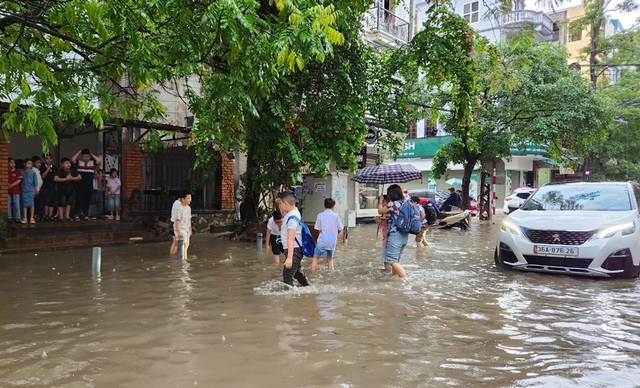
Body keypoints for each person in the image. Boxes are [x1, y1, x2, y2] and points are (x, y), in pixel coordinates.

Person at [278, 190, 310, 288]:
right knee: (296, 273)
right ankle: (307, 287)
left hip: (294, 250)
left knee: (287, 276)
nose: (279, 206)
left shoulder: (292, 219)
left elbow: (291, 238)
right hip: (295, 249)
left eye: (280, 204)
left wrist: (289, 258)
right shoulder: (294, 212)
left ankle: (289, 298)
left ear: (285, 203)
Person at [377, 184, 408, 278]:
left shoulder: (394, 203)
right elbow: (394, 219)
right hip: (404, 235)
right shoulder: (406, 203)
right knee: (396, 260)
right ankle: (395, 280)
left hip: (395, 236)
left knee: (391, 261)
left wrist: (380, 201)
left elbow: (381, 211)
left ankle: (405, 280)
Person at [311, 197, 343, 271]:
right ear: (333, 206)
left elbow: (318, 229)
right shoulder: (336, 216)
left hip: (322, 240)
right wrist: (335, 235)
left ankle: (312, 274)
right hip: (332, 241)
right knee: (330, 259)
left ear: (324, 205)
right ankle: (330, 275)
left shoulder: (320, 215)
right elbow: (340, 228)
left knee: (315, 258)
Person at [71, 148, 101, 221]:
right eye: (84, 156)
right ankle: (76, 214)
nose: (86, 158)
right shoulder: (79, 162)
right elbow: (72, 160)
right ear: (82, 156)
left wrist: (91, 154)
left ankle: (85, 214)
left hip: (89, 185)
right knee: (79, 199)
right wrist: (79, 152)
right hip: (79, 185)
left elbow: (99, 160)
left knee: (87, 200)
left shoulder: (92, 162)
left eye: (87, 156)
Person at [54, 157, 81, 222]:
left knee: (69, 203)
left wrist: (72, 178)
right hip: (62, 189)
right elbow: (55, 179)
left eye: (69, 163)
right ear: (62, 164)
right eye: (66, 163)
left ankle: (67, 216)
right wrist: (66, 179)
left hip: (70, 189)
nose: (68, 165)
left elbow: (79, 177)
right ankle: (61, 216)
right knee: (61, 203)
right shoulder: (60, 171)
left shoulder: (72, 170)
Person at [374, 194, 391, 272]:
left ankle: (389, 277)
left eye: (380, 202)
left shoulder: (387, 211)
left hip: (387, 239)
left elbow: (388, 224)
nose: (379, 204)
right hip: (388, 238)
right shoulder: (389, 211)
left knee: (386, 261)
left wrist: (379, 221)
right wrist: (380, 221)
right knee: (391, 260)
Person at [173, 191, 193, 260]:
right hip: (180, 229)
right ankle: (181, 262)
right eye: (188, 198)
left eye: (190, 198)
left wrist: (190, 229)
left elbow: (189, 219)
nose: (190, 200)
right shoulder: (178, 208)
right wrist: (179, 232)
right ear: (183, 199)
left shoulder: (188, 208)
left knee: (186, 245)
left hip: (186, 228)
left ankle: (185, 259)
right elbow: (177, 221)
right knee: (183, 244)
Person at [20, 158, 39, 224]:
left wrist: (35, 189)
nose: (30, 165)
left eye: (31, 164)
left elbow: (35, 182)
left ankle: (31, 217)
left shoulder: (33, 172)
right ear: (24, 164)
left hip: (31, 190)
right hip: (24, 190)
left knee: (31, 204)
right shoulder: (21, 172)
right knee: (24, 204)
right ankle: (25, 217)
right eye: (28, 163)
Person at [40, 154, 57, 220]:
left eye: (50, 158)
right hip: (45, 186)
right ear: (44, 159)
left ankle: (50, 215)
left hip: (53, 186)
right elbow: (42, 176)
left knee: (52, 201)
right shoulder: (42, 167)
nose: (48, 160)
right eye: (47, 158)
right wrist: (48, 169)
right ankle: (46, 214)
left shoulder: (55, 167)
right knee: (46, 201)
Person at [8, 157, 23, 223]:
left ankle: (17, 217)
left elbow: (19, 180)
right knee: (8, 204)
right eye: (11, 162)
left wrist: (11, 185)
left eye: (14, 162)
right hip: (7, 191)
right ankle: (9, 217)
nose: (13, 164)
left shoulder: (17, 171)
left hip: (15, 190)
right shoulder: (6, 171)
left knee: (16, 204)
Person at [31, 156, 44, 220]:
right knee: (35, 203)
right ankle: (33, 215)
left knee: (38, 203)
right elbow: (34, 181)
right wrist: (36, 189)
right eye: (37, 163)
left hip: (38, 189)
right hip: (35, 190)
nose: (39, 164)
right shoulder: (33, 171)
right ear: (33, 163)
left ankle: (36, 215)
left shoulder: (37, 170)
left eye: (40, 163)